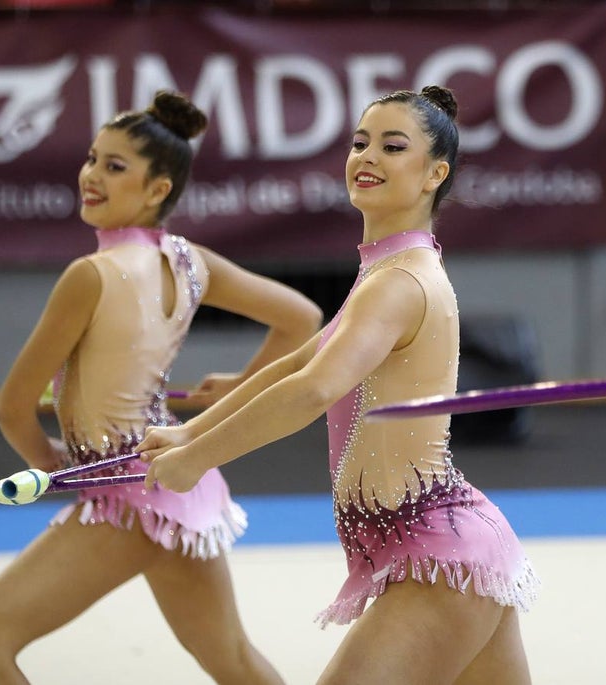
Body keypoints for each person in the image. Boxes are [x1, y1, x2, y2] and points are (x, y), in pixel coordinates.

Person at [136, 85, 540, 685]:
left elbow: (313, 390)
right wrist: (192, 429)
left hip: (438, 554)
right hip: (445, 546)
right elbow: (301, 362)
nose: (367, 156)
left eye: (392, 146)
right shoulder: (383, 270)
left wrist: (197, 459)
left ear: (435, 173)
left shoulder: (399, 282)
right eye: (360, 142)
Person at [0, 90, 323, 684]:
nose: (91, 176)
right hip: (179, 480)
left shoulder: (91, 275)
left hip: (124, 494)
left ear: (158, 189)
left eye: (114, 166)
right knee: (231, 660)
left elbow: (13, 405)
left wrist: (51, 465)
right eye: (91, 158)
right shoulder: (192, 261)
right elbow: (301, 317)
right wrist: (240, 385)